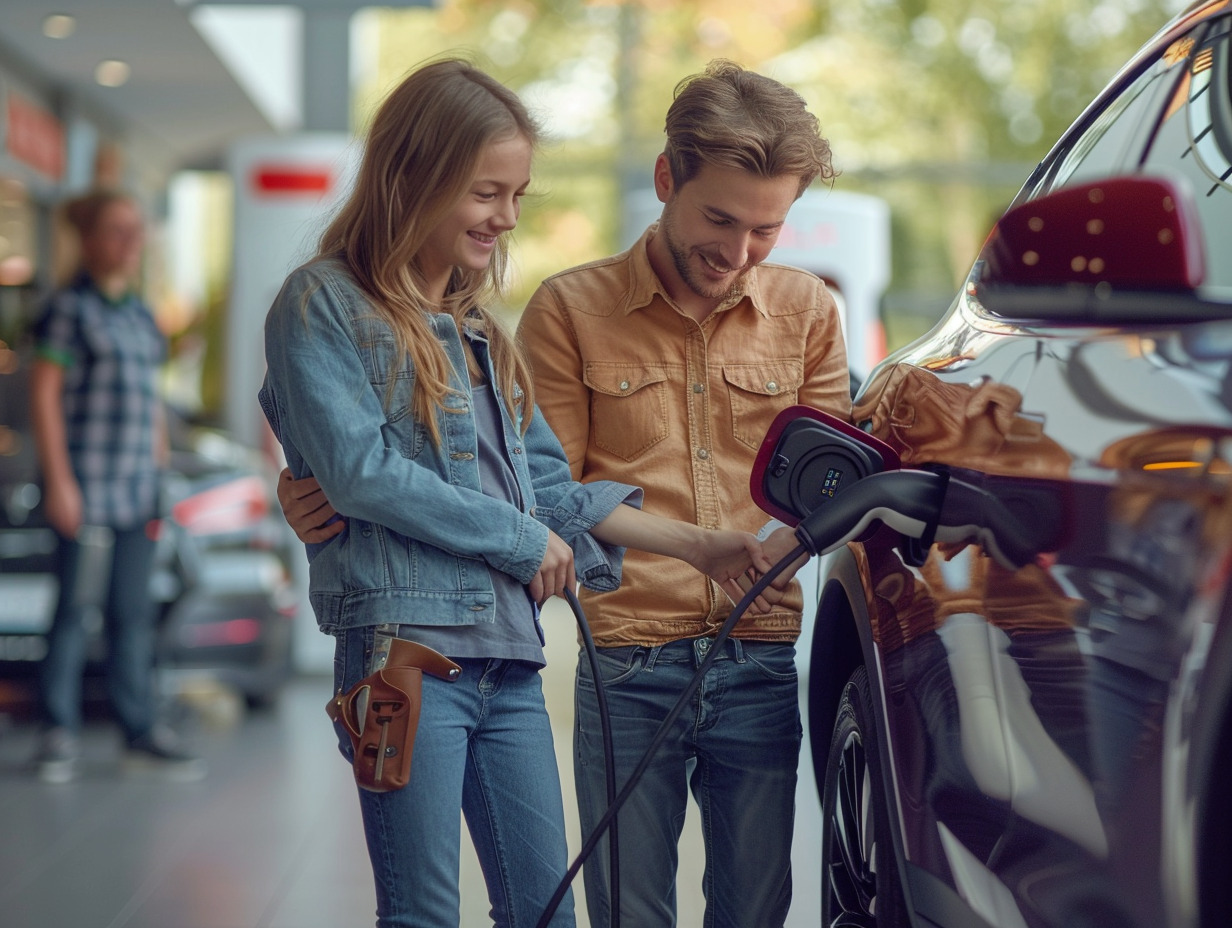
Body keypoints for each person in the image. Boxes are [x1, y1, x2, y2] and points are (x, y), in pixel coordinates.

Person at [258, 58, 773, 928]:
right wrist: (519, 542)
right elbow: (360, 475)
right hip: (404, 655)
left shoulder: (477, 332)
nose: (504, 218)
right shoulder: (322, 304)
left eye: (518, 197)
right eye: (486, 192)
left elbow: (543, 490)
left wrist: (697, 545)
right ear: (412, 176)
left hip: (509, 659)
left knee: (545, 914)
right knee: (423, 914)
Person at [513, 60, 851, 927]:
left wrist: (785, 545)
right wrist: (698, 546)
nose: (737, 255)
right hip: (627, 663)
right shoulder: (567, 311)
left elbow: (832, 485)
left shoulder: (810, 312)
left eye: (767, 231)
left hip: (762, 658)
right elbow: (553, 498)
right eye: (720, 219)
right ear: (667, 180)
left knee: (754, 911)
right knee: (628, 911)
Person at [29, 189, 206, 784]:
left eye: (136, 231)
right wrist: (59, 482)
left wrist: (160, 472)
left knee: (132, 613)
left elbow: (149, 402)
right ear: (89, 237)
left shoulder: (139, 314)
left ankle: (139, 728)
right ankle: (57, 729)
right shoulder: (68, 309)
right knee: (74, 611)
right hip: (84, 485)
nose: (130, 243)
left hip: (137, 490)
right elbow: (44, 396)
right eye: (117, 231)